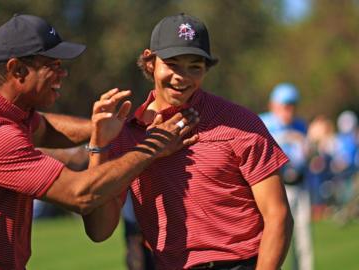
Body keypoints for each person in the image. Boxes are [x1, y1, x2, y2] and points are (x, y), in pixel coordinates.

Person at [0, 14, 199, 270]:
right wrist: (152, 146)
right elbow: (81, 194)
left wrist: (113, 129)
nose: (63, 74)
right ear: (17, 69)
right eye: (53, 66)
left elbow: (45, 128)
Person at [83, 13, 294, 270]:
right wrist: (99, 146)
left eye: (194, 66)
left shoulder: (240, 123)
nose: (182, 77)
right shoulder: (127, 135)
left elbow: (278, 214)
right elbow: (99, 230)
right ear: (150, 62)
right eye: (172, 64)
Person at [260, 83, 313, 270]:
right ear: (273, 105)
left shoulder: (300, 125)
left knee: (303, 238)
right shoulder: (263, 122)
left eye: (292, 105)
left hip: (299, 185)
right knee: (275, 237)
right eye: (285, 105)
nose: (288, 110)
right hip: (274, 188)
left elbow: (305, 157)